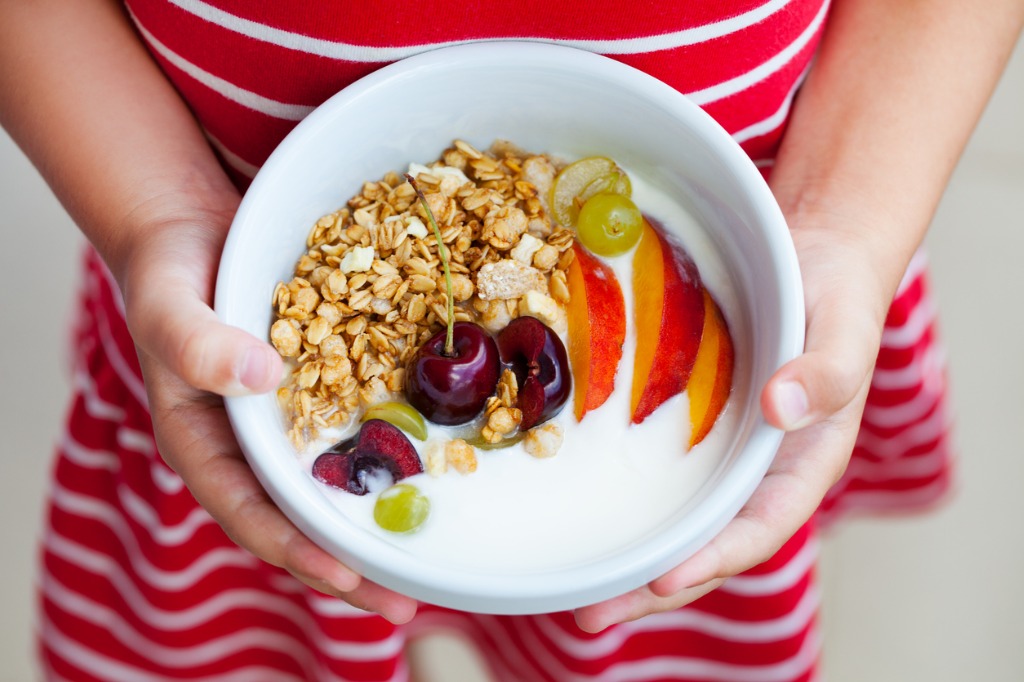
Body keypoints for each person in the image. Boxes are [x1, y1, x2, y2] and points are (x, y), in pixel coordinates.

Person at [2, 0, 1021, 679]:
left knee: (647, 634)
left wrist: (848, 215)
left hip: (755, 292)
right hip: (235, 331)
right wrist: (152, 211)